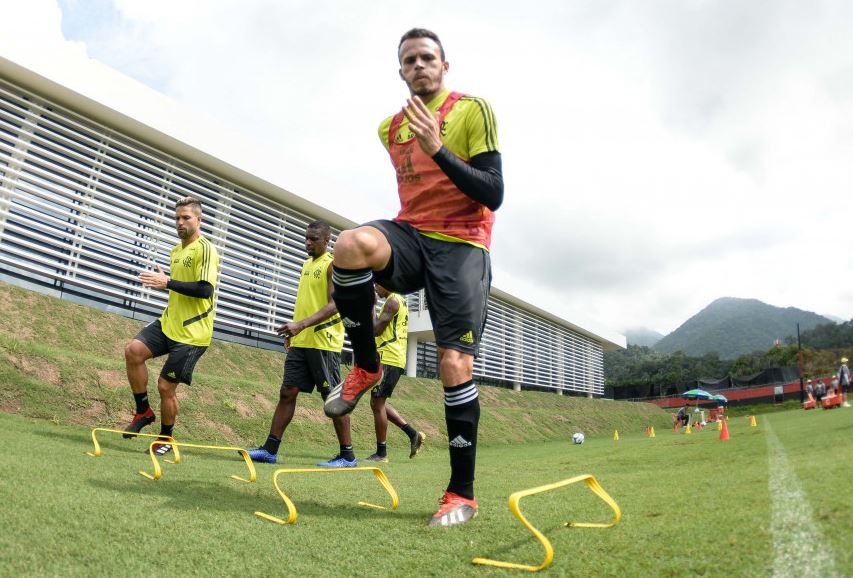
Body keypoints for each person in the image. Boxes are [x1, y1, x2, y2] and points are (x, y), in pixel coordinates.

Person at [323, 28, 503, 527]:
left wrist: (439, 148)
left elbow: (493, 192)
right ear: (401, 71)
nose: (419, 65)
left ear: (444, 65)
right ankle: (366, 366)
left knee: (453, 363)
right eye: (409, 60)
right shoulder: (390, 128)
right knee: (350, 245)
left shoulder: (472, 110)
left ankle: (461, 494)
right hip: (412, 236)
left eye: (427, 57)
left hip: (462, 244)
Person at [246, 221, 356, 467]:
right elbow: (307, 303)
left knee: (332, 399)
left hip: (323, 343)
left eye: (313, 239)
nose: (308, 242)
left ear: (326, 241)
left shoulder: (332, 265)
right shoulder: (306, 265)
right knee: (287, 392)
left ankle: (347, 455)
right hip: (302, 341)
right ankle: (270, 450)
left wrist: (301, 325)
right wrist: (294, 332)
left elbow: (336, 304)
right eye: (306, 238)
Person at [122, 196, 220, 456]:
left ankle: (166, 439)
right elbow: (179, 287)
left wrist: (167, 283)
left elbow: (205, 290)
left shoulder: (206, 249)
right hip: (169, 323)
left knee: (166, 386)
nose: (180, 222)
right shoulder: (176, 251)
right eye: (177, 218)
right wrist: (166, 283)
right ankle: (143, 411)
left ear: (198, 220)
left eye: (186, 217)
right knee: (133, 351)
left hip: (193, 334)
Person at [365, 283, 426, 463]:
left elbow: (376, 330)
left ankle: (381, 453)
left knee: (377, 404)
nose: (375, 287)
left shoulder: (392, 302)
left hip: (390, 358)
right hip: (392, 357)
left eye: (377, 283)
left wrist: (371, 305)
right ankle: (413, 434)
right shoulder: (398, 300)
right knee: (377, 402)